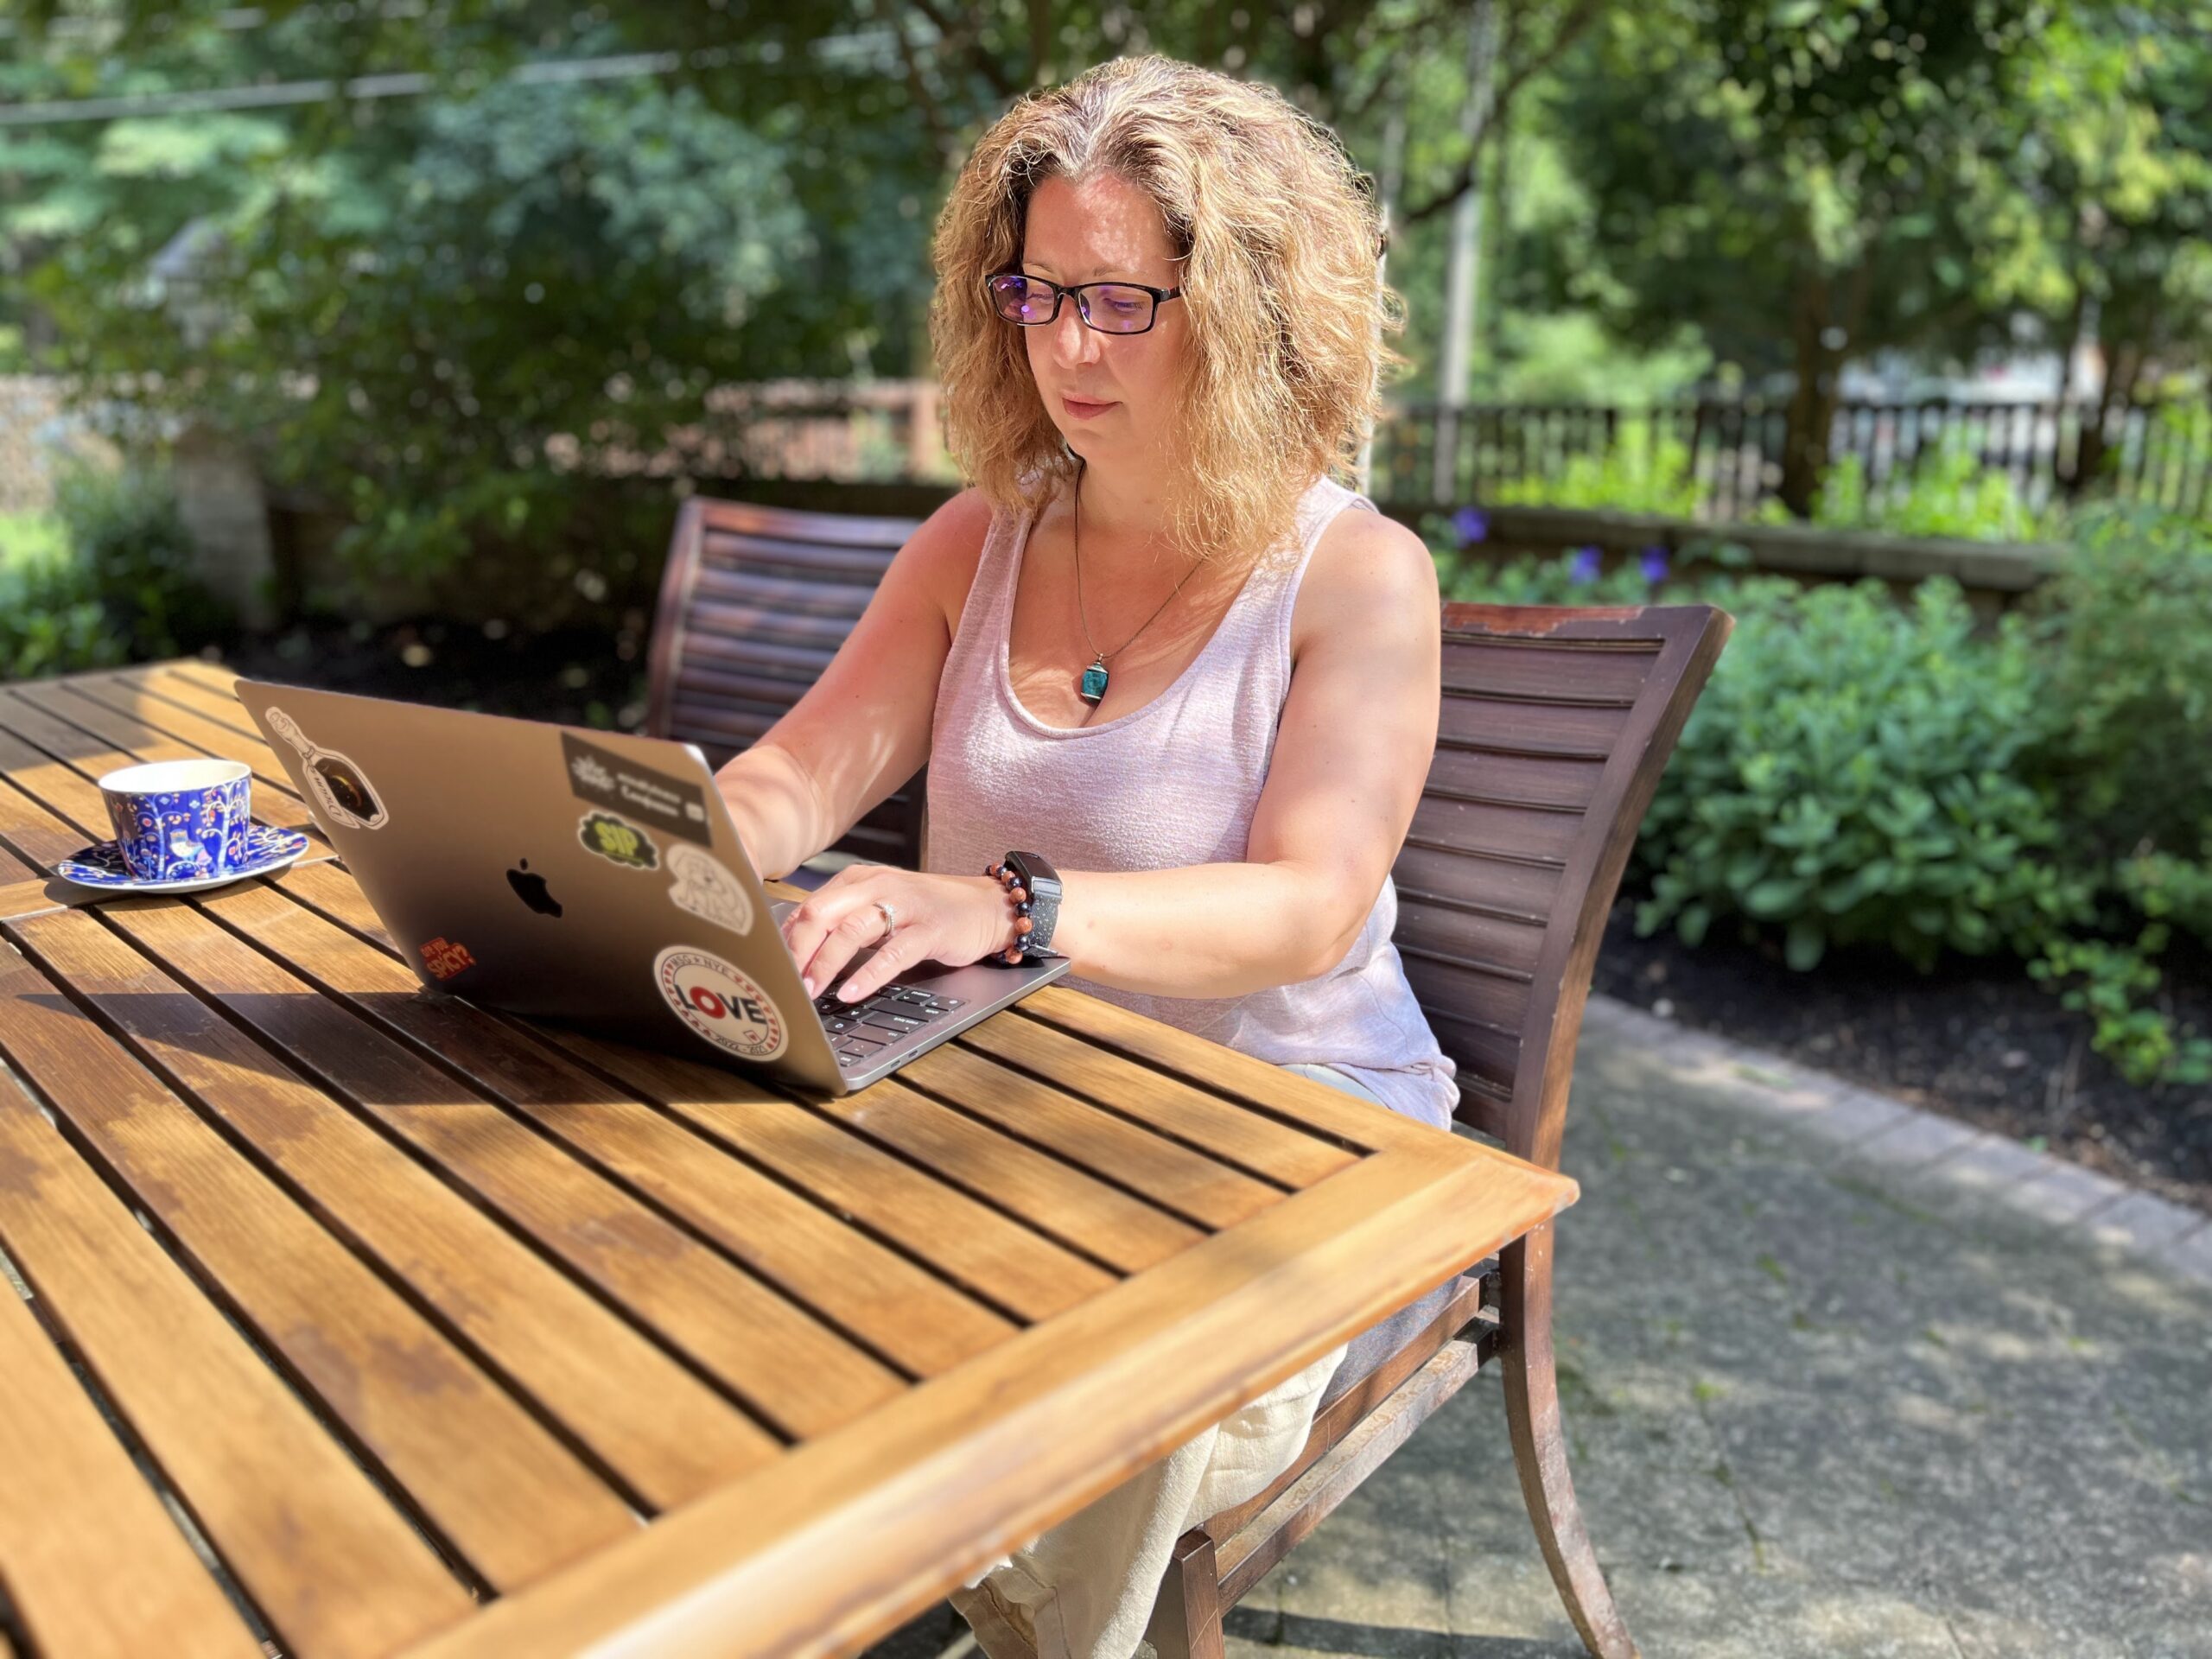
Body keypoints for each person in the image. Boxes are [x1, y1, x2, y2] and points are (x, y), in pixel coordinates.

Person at [711, 53, 1459, 1659]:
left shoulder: (1359, 577)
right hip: (1023, 1122)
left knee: (1136, 1396)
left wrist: (1003, 909)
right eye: (1038, 293)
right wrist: (664, 852)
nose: (1063, 345)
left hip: (1301, 1161)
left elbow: (1310, 910)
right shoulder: (978, 537)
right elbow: (799, 774)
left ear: (1249, 308)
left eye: (1121, 302)